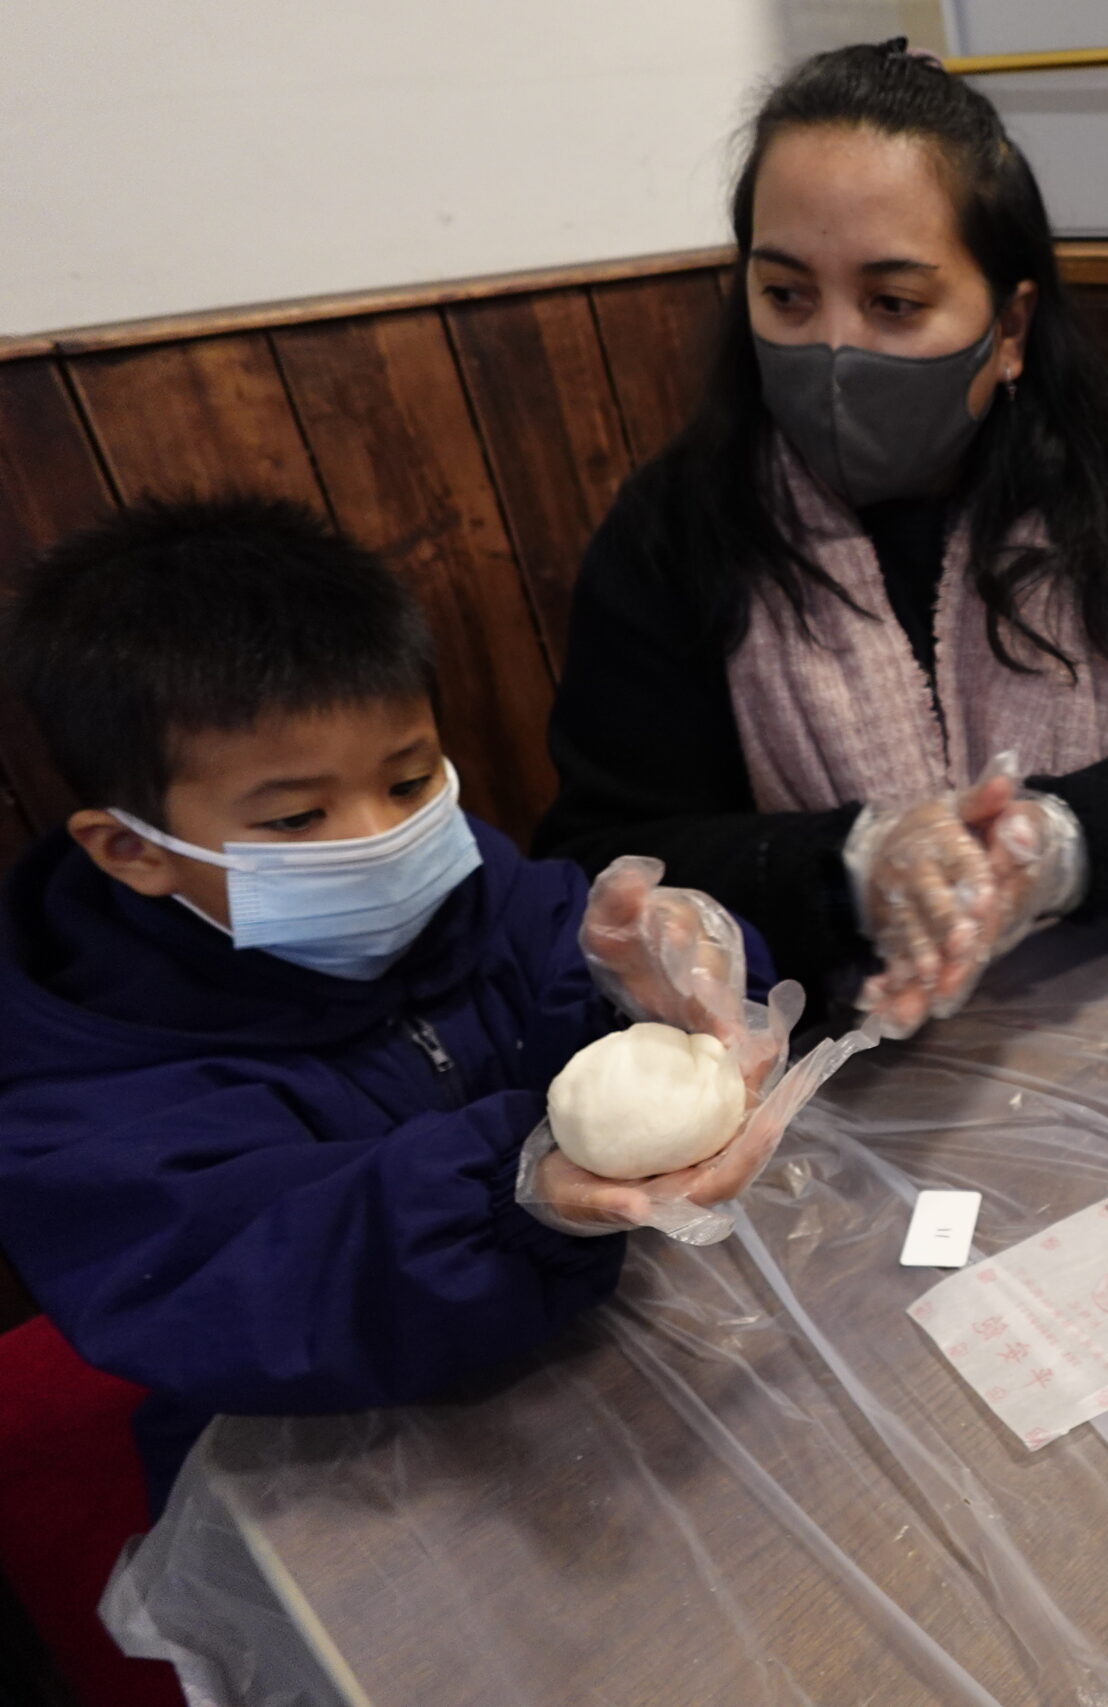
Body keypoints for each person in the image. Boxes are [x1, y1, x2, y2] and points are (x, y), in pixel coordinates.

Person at [0, 499, 817, 1514]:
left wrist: (662, 985)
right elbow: (234, 1287)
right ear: (134, 849)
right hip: (325, 1463)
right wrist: (506, 1193)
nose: (378, 838)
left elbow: (594, 979)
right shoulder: (80, 1081)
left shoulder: (476, 891)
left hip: (582, 1363)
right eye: (298, 816)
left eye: (409, 780)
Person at [534, 40, 1108, 1033]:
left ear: (1010, 328)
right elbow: (602, 853)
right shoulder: (673, 531)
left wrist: (1050, 844)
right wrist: (856, 867)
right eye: (785, 294)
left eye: (894, 303)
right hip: (840, 1051)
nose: (833, 347)